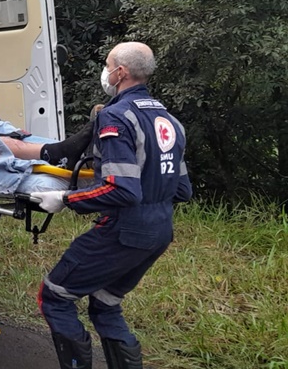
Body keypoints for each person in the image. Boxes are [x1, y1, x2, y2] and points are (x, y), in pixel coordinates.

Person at [30, 42, 193, 369]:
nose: (104, 72)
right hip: (159, 232)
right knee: (105, 305)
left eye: (107, 65)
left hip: (123, 231)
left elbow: (122, 190)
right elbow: (182, 189)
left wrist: (65, 199)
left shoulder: (116, 117)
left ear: (120, 72)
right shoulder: (169, 121)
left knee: (55, 297)